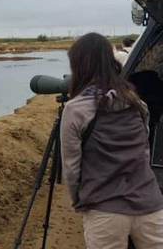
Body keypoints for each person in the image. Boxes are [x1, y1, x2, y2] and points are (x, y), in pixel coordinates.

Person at [60, 33, 163, 249]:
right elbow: (144, 149)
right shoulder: (137, 102)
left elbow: (71, 168)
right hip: (150, 204)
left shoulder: (75, 109)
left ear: (79, 66)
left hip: (104, 211)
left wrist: (80, 201)